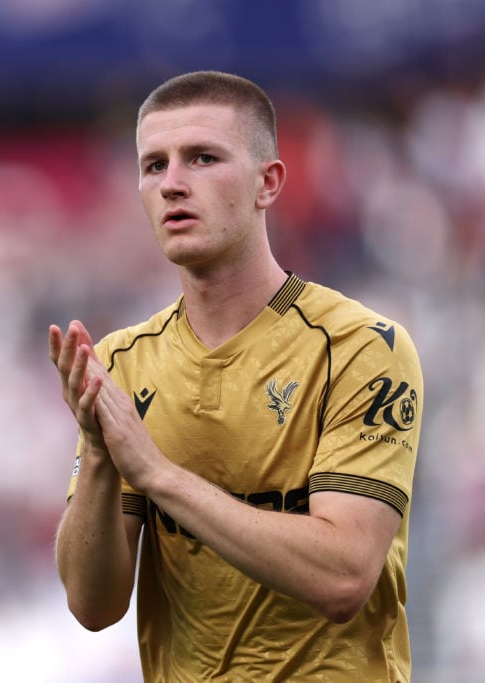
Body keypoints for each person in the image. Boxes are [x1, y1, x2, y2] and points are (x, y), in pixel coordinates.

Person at [50, 70, 423, 682]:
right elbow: (93, 607)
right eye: (153, 166)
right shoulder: (122, 362)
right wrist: (97, 453)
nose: (172, 184)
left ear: (267, 183)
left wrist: (159, 478)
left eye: (202, 159)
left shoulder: (359, 348)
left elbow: (344, 577)